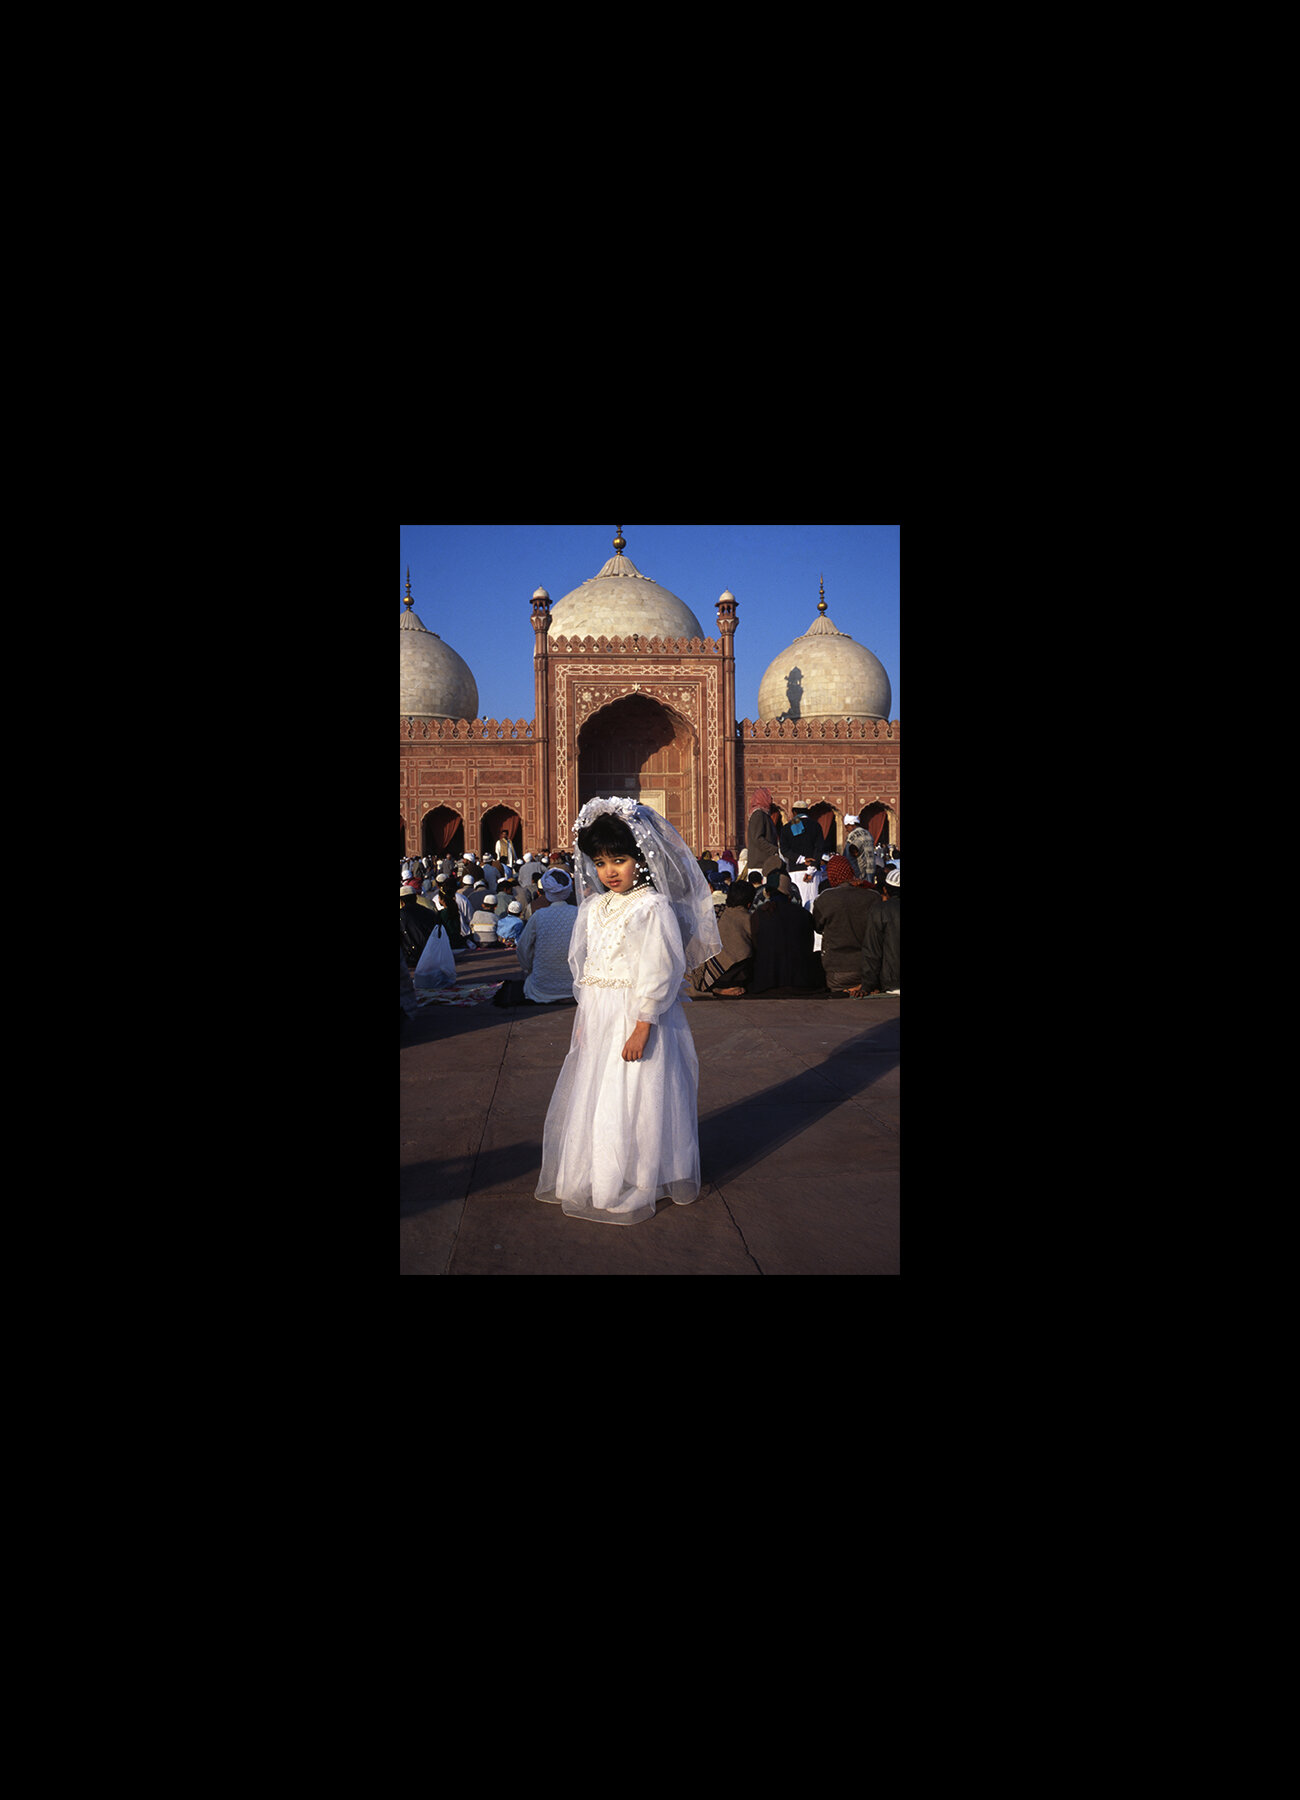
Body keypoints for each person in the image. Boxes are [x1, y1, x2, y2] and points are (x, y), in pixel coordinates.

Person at [535, 796, 721, 1226]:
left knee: (636, 1095)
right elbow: (585, 968)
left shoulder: (651, 906)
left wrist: (643, 1024)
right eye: (600, 863)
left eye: (618, 860)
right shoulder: (593, 907)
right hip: (599, 1016)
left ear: (640, 858)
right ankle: (600, 1175)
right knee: (598, 1094)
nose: (609, 872)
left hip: (637, 1014)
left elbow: (659, 969)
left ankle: (639, 1176)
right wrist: (583, 1019)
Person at [494, 867, 580, 1008]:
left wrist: (529, 968)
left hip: (542, 989)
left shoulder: (539, 915)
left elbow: (522, 947)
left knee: (530, 982)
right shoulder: (578, 913)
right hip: (576, 987)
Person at [812, 853, 881, 996]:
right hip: (868, 968)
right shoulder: (873, 896)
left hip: (837, 969)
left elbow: (817, 927)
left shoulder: (825, 898)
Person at [748, 872, 827, 996]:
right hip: (801, 983)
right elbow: (808, 947)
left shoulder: (759, 915)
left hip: (767, 983)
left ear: (767, 893)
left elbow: (756, 946)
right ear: (789, 894)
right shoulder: (804, 914)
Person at [688, 879, 755, 997]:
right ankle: (722, 988)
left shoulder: (715, 911)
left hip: (707, 973)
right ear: (749, 904)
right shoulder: (750, 919)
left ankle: (715, 988)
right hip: (734, 975)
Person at [861, 865, 901, 994]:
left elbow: (872, 950)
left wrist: (867, 985)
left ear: (886, 889)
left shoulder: (880, 910)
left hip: (893, 983)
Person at [746, 786, 783, 879]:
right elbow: (757, 838)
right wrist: (774, 850)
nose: (771, 799)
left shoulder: (764, 814)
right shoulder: (758, 814)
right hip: (760, 864)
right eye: (768, 796)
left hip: (764, 863)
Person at [780, 801, 825, 870]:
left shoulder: (787, 828)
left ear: (794, 812)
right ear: (807, 812)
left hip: (795, 870)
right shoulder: (816, 825)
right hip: (814, 871)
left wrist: (802, 859)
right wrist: (813, 865)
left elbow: (784, 850)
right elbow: (819, 848)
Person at [400, 887, 435, 967]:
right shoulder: (429, 912)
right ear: (416, 898)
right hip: (429, 955)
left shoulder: (401, 915)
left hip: (410, 959)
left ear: (402, 902)